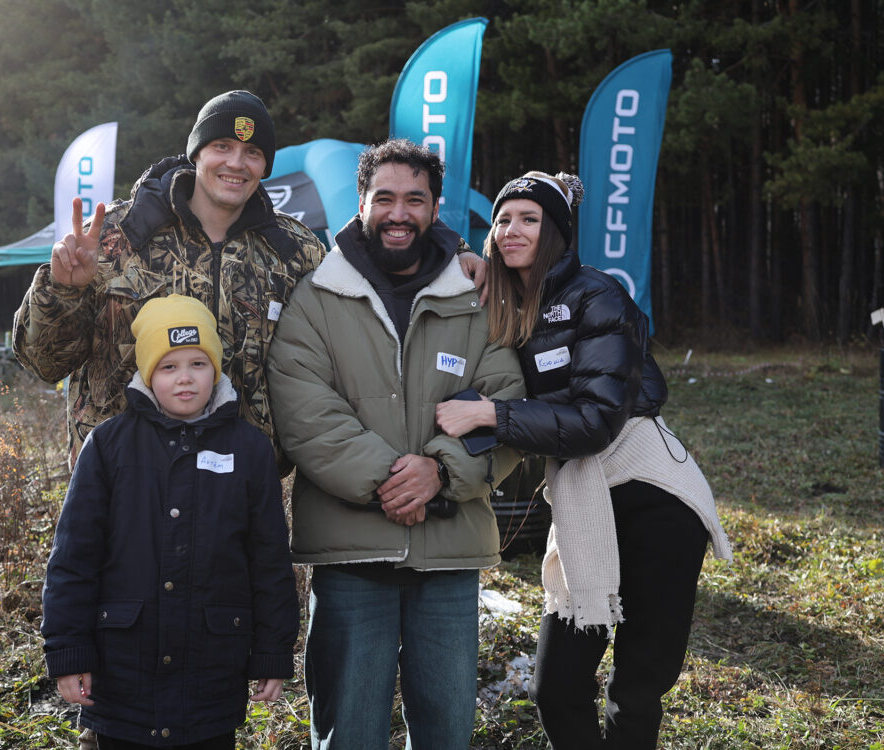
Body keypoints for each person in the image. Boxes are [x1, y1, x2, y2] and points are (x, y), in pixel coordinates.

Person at [434, 171, 733, 750]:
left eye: (529, 219)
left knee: (637, 687)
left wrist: (489, 416)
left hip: (654, 495)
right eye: (502, 220)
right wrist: (463, 252)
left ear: (556, 234)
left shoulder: (597, 296)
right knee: (558, 687)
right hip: (581, 498)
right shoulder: (505, 300)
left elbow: (596, 421)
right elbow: (414, 232)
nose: (511, 230)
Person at [266, 138, 526, 750]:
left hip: (450, 553)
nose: (399, 212)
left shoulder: (477, 299)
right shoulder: (316, 298)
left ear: (436, 208)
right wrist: (393, 479)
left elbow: (507, 403)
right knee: (349, 729)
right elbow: (304, 411)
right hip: (351, 553)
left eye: (415, 198)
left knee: (446, 730)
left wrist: (439, 474)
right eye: (384, 198)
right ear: (360, 204)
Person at [13, 90, 325, 472]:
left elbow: (321, 368)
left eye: (253, 153)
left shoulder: (295, 251)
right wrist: (64, 291)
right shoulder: (115, 236)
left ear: (265, 166)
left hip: (239, 491)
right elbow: (45, 363)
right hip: (124, 483)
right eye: (222, 146)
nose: (236, 163)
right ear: (196, 153)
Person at [42, 294, 299, 750]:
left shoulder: (250, 449)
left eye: (198, 364)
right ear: (147, 374)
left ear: (216, 368)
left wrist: (273, 653)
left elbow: (270, 563)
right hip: (122, 672)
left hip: (212, 672)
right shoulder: (108, 446)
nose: (185, 378)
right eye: (168, 366)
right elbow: (73, 559)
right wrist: (68, 653)